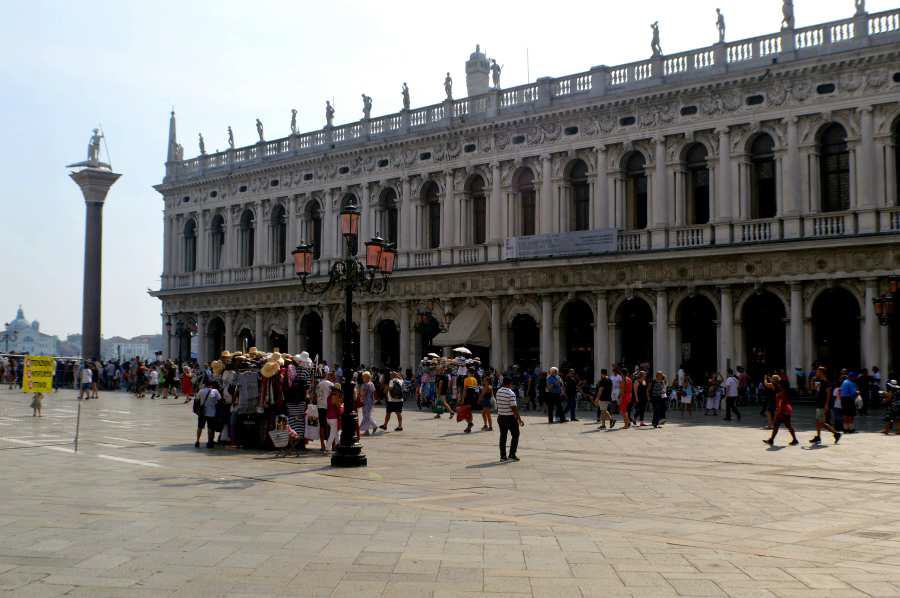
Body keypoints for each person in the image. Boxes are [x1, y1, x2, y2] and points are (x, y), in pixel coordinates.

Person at [809, 367, 841, 445]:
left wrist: (826, 404)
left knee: (820, 422)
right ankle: (833, 434)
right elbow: (813, 389)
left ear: (822, 372)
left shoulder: (825, 381)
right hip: (818, 402)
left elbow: (828, 393)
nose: (816, 373)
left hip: (822, 403)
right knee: (820, 422)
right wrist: (812, 381)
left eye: (818, 372)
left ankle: (834, 434)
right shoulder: (817, 380)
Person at [763, 375, 798, 446]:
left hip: (783, 410)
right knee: (787, 425)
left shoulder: (777, 388)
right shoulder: (780, 386)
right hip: (787, 409)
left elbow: (780, 401)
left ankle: (771, 440)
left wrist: (778, 411)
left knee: (777, 425)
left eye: (772, 379)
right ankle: (794, 439)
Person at [495, 378, 524, 462]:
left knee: (503, 436)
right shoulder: (511, 393)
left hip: (501, 416)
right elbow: (514, 408)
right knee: (515, 435)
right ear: (510, 384)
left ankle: (503, 456)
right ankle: (512, 454)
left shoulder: (498, 391)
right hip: (510, 417)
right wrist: (519, 419)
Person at [195, 381, 222, 449]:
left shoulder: (201, 391)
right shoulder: (215, 391)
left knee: (200, 427)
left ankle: (197, 441)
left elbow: (197, 400)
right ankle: (210, 442)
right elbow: (220, 400)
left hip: (202, 413)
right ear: (212, 385)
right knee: (210, 428)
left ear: (205, 385)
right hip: (212, 413)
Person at [316, 372, 335, 452]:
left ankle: (322, 445)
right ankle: (332, 445)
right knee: (331, 426)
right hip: (329, 407)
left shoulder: (319, 384)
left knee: (322, 426)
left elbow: (316, 395)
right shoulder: (331, 385)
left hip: (320, 406)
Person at [359, 371, 378, 436]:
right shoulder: (371, 383)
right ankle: (367, 430)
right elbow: (374, 392)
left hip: (366, 402)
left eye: (363, 377)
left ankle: (373, 426)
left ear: (367, 377)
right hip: (370, 402)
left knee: (366, 416)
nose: (363, 378)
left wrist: (360, 394)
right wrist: (374, 400)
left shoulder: (365, 385)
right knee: (367, 416)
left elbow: (363, 394)